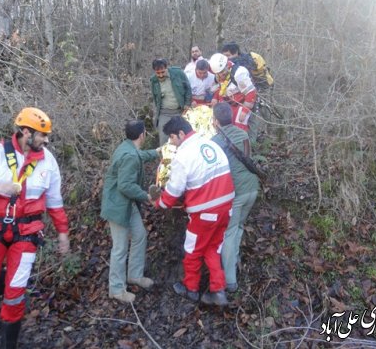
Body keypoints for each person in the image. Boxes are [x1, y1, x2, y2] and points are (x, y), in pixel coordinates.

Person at [0, 107, 70, 349]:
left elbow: (54, 201)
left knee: (15, 295)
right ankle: (2, 281)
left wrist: (62, 232)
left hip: (27, 234)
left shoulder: (48, 161)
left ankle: (9, 343)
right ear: (25, 131)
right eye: (42, 134)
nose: (46, 140)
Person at [155, 116, 235, 306]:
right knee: (212, 249)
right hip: (226, 208)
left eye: (172, 138)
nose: (172, 143)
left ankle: (190, 289)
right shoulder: (210, 144)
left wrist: (161, 204)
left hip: (204, 212)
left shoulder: (183, 156)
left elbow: (174, 190)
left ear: (181, 134)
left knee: (192, 250)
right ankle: (218, 291)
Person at [100, 120, 161, 303]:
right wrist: (146, 196)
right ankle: (116, 289)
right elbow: (125, 185)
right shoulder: (129, 156)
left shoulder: (127, 148)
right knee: (119, 248)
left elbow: (139, 155)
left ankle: (134, 275)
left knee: (140, 235)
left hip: (126, 204)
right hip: (118, 206)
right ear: (142, 135)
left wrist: (157, 153)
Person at [211, 102, 259, 293]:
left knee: (229, 233)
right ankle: (234, 257)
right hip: (252, 189)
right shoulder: (244, 134)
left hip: (236, 193)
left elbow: (214, 171)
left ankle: (230, 281)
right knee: (238, 226)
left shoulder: (214, 142)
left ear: (215, 121)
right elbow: (247, 158)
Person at [209, 53, 257, 133]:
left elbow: (251, 93)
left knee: (239, 129)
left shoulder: (239, 74)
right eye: (219, 73)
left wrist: (244, 111)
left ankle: (242, 144)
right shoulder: (219, 75)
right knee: (222, 128)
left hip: (241, 104)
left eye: (223, 71)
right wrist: (215, 98)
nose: (222, 74)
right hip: (228, 105)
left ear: (227, 65)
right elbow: (221, 88)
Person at [150, 58, 192, 145]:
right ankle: (165, 158)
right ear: (154, 71)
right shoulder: (153, 81)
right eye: (158, 73)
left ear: (167, 68)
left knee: (183, 136)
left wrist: (187, 103)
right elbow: (155, 99)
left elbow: (188, 88)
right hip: (164, 113)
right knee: (164, 140)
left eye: (163, 72)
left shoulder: (178, 73)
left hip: (180, 112)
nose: (161, 75)